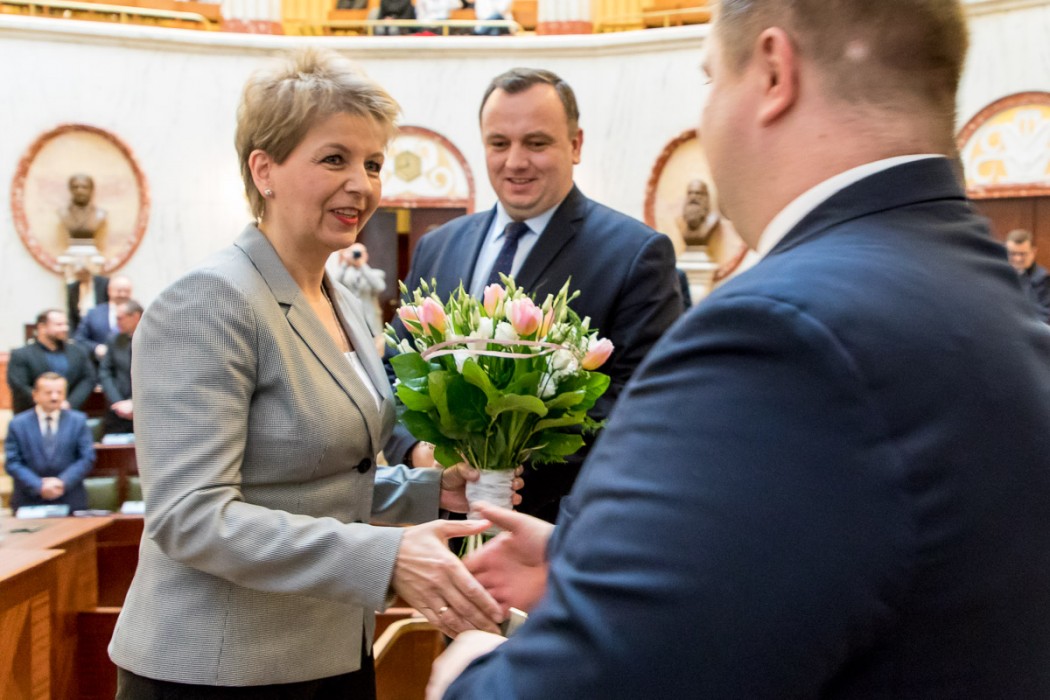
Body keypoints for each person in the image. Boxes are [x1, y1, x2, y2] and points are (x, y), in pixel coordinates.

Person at [428, 1, 1050, 697]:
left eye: (710, 79)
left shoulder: (780, 330)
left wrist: (470, 671)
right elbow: (833, 544)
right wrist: (577, 554)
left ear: (774, 73)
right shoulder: (984, 285)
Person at [108, 48, 518, 698]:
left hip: (329, 649)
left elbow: (321, 478)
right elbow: (190, 516)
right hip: (219, 671)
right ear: (264, 169)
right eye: (334, 159)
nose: (362, 184)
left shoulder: (345, 298)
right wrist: (386, 555)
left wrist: (430, 489)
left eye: (373, 164)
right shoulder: (209, 301)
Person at [387, 68, 682, 523]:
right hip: (437, 530)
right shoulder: (438, 246)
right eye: (499, 143)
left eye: (536, 143)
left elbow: (643, 402)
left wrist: (504, 455)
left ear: (576, 145)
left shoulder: (635, 254)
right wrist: (419, 452)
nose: (515, 161)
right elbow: (394, 371)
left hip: (555, 529)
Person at [4, 372, 96, 513]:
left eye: (59, 392)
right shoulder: (18, 424)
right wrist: (38, 485)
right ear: (35, 395)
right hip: (29, 500)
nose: (54, 397)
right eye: (48, 393)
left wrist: (62, 482)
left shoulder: (78, 421)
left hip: (69, 499)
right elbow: (12, 462)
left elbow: (87, 458)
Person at [7, 309, 96, 415]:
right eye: (59, 325)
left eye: (66, 324)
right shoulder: (21, 354)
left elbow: (88, 378)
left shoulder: (77, 352)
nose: (65, 328)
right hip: (33, 414)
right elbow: (19, 386)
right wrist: (48, 403)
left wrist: (70, 403)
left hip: (70, 413)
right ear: (42, 327)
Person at [331, 241, 387, 352]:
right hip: (350, 315)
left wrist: (362, 265)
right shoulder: (345, 274)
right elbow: (333, 285)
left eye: (359, 253)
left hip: (370, 317)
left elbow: (380, 287)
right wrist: (345, 263)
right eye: (354, 253)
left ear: (366, 255)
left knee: (375, 349)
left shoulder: (375, 273)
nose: (356, 255)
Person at [98, 299, 142, 435]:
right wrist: (118, 402)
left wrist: (134, 403)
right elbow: (105, 372)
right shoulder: (114, 340)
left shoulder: (156, 340)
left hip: (147, 410)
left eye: (120, 318)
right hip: (117, 410)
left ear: (135, 316)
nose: (117, 323)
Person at [75, 275, 133, 360]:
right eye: (119, 291)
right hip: (99, 363)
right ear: (109, 290)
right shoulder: (93, 313)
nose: (123, 294)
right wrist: (96, 348)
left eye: (126, 291)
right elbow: (79, 339)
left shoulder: (137, 314)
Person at [1005, 228, 1050, 322]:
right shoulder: (998, 275)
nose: (1018, 259)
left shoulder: (1043, 279)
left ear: (1033, 252)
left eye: (1022, 254)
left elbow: (1044, 316)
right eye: (1012, 254)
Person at [58, 173, 107, 244]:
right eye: (75, 187)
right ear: (70, 189)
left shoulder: (100, 214)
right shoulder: (63, 213)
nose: (79, 191)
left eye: (84, 187)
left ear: (91, 190)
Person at [677, 178, 720, 247]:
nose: (693, 197)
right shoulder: (679, 221)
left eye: (698, 193)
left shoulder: (713, 220)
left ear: (706, 197)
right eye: (690, 193)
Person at [66, 264, 109, 333]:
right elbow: (72, 314)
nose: (81, 275)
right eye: (79, 273)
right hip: (81, 325)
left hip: (100, 325)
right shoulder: (72, 287)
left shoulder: (103, 283)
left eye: (83, 272)